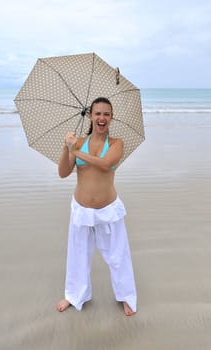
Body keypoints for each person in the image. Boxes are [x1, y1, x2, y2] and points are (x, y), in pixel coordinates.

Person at [56, 97, 137, 316]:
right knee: (78, 255)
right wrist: (67, 148)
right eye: (98, 113)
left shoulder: (116, 143)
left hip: (108, 209)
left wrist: (77, 152)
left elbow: (105, 164)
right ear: (90, 116)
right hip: (81, 209)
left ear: (111, 118)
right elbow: (63, 173)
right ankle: (74, 296)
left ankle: (126, 297)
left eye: (106, 114)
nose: (102, 118)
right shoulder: (78, 142)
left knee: (118, 255)